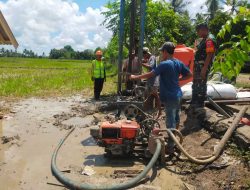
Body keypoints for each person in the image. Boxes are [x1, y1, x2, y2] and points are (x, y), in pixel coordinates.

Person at [130, 42, 192, 154]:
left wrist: (136, 77)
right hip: (178, 95)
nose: (161, 53)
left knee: (170, 122)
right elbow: (189, 74)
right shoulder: (178, 62)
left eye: (162, 51)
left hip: (169, 97)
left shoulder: (165, 64)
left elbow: (151, 74)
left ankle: (171, 146)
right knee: (176, 119)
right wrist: (178, 81)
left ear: (165, 51)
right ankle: (175, 140)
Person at [191, 23, 216, 108]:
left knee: (201, 84)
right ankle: (195, 101)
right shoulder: (204, 39)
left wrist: (204, 68)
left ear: (204, 30)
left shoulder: (209, 39)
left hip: (202, 65)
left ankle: (199, 103)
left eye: (199, 31)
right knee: (196, 83)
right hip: (199, 65)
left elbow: (209, 54)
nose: (198, 33)